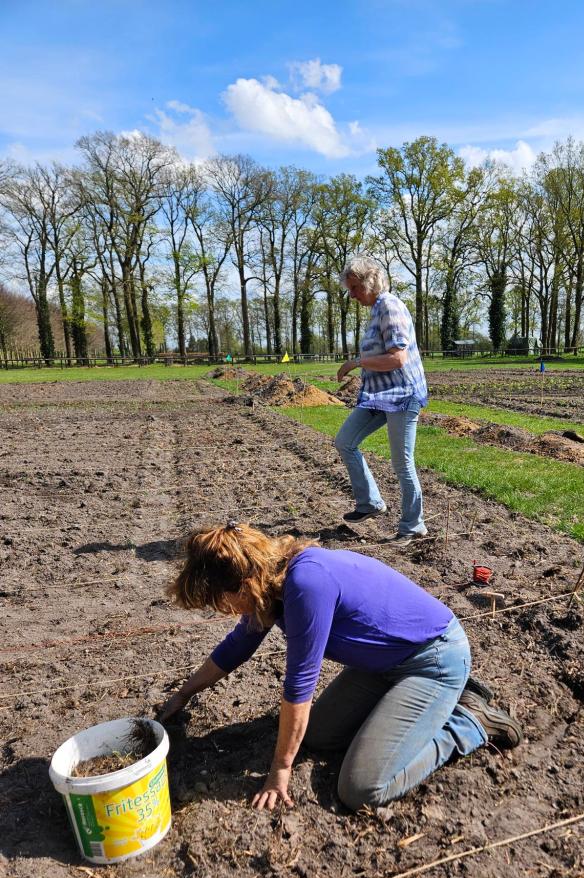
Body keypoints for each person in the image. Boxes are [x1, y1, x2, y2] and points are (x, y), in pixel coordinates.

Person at [158, 522, 522, 811]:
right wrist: (183, 695)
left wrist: (280, 770)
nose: (223, 610)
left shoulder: (306, 584)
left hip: (434, 658)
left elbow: (299, 684)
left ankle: (470, 722)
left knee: (362, 788)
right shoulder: (270, 583)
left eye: (221, 601)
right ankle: (407, 710)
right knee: (316, 735)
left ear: (244, 584)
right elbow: (238, 646)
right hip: (383, 664)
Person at [335, 256, 428, 546]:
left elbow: (397, 358)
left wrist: (356, 362)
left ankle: (413, 526)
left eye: (354, 288)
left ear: (370, 282)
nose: (352, 295)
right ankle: (370, 503)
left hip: (402, 395)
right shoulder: (376, 310)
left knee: (402, 463)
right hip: (379, 397)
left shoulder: (390, 306)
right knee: (345, 441)